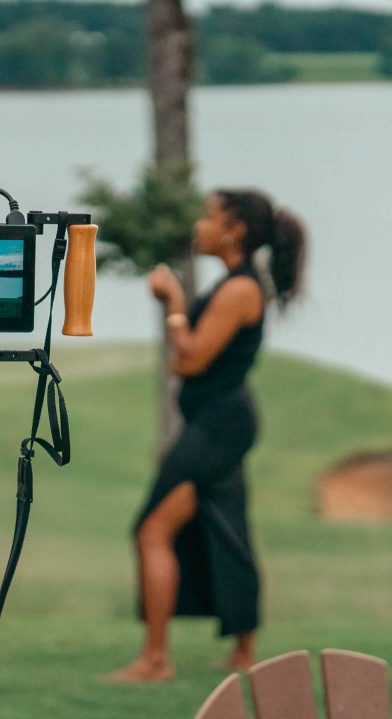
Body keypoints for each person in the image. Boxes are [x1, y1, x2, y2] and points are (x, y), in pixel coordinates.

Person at [109, 189, 307, 683]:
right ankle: (243, 652)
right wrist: (179, 317)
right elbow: (185, 360)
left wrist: (174, 303)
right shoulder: (233, 285)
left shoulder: (240, 289)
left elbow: (192, 358)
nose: (199, 225)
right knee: (228, 528)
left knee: (151, 530)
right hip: (218, 422)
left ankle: (155, 660)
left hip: (219, 426)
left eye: (209, 216)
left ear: (235, 229)